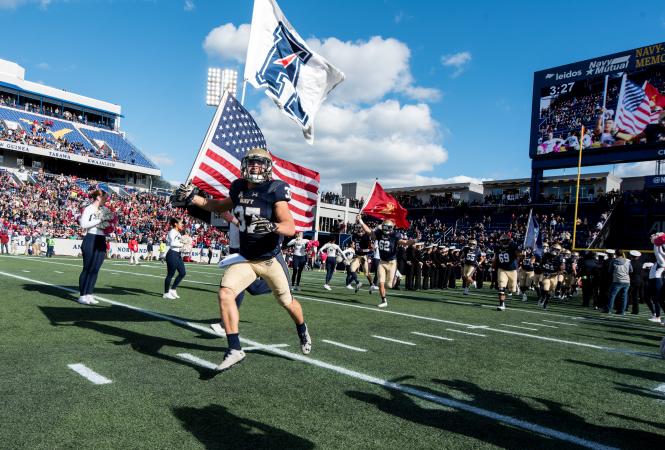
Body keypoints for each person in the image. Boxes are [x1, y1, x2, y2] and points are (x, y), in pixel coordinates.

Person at [173, 147, 311, 371]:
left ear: (267, 168)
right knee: (226, 293)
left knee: (286, 302)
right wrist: (193, 198)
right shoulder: (239, 187)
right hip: (246, 258)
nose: (254, 167)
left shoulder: (275, 189)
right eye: (251, 163)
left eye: (259, 163)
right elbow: (218, 206)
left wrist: (272, 225)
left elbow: (290, 226)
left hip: (269, 259)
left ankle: (302, 329)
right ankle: (235, 349)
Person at [357, 216, 414, 308]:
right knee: (381, 283)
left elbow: (404, 243)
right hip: (382, 262)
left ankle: (396, 275)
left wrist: (413, 241)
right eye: (384, 227)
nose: (386, 229)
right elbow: (369, 232)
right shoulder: (379, 233)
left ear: (391, 228)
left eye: (388, 227)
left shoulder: (395, 235)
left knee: (389, 286)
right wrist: (360, 220)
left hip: (392, 263)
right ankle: (384, 300)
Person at [77, 189, 112, 305]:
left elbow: (107, 223)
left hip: (101, 239)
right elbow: (83, 224)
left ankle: (89, 294)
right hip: (91, 238)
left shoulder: (104, 210)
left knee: (95, 269)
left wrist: (110, 225)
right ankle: (82, 295)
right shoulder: (89, 208)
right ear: (98, 197)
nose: (106, 199)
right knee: (87, 268)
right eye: (104, 197)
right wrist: (99, 220)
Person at [493, 233, 520, 311]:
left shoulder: (513, 246)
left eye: (506, 241)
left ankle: (517, 286)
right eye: (503, 241)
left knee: (512, 290)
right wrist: (493, 266)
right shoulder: (498, 248)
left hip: (512, 270)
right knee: (501, 288)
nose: (504, 242)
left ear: (509, 241)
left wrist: (522, 253)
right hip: (502, 269)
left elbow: (519, 255)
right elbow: (496, 258)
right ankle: (502, 304)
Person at [163, 218, 186, 300]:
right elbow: (172, 243)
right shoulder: (172, 231)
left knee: (182, 273)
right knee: (170, 275)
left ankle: (172, 289)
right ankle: (166, 293)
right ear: (175, 224)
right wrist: (182, 244)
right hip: (172, 254)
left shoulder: (178, 233)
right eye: (180, 223)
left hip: (178, 254)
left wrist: (185, 246)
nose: (182, 224)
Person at [606, 250, 632, 315]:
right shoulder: (628, 261)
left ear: (615, 254)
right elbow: (631, 270)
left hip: (617, 280)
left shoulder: (613, 261)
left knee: (612, 295)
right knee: (624, 296)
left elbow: (610, 271)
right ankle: (622, 311)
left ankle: (608, 309)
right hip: (626, 280)